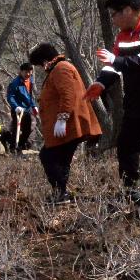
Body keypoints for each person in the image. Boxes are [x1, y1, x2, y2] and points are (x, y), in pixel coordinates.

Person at [85, 0, 140, 207]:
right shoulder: (123, 36)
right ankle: (130, 190)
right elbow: (114, 65)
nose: (112, 20)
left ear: (128, 10)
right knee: (126, 145)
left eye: (114, 14)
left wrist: (116, 60)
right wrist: (101, 83)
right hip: (135, 101)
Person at [30, 43, 102, 204]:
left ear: (45, 60)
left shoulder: (61, 68)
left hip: (69, 124)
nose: (42, 68)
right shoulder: (60, 68)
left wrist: (62, 119)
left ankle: (60, 193)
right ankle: (61, 193)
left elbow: (68, 94)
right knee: (61, 159)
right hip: (68, 125)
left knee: (48, 156)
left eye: (40, 64)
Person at [6, 63, 39, 153]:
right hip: (17, 110)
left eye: (30, 72)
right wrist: (16, 106)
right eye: (26, 72)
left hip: (28, 109)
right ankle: (13, 149)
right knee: (16, 129)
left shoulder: (30, 80)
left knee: (29, 129)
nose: (28, 74)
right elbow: (10, 96)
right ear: (20, 71)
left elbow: (29, 96)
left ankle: (21, 147)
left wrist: (34, 105)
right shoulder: (15, 83)